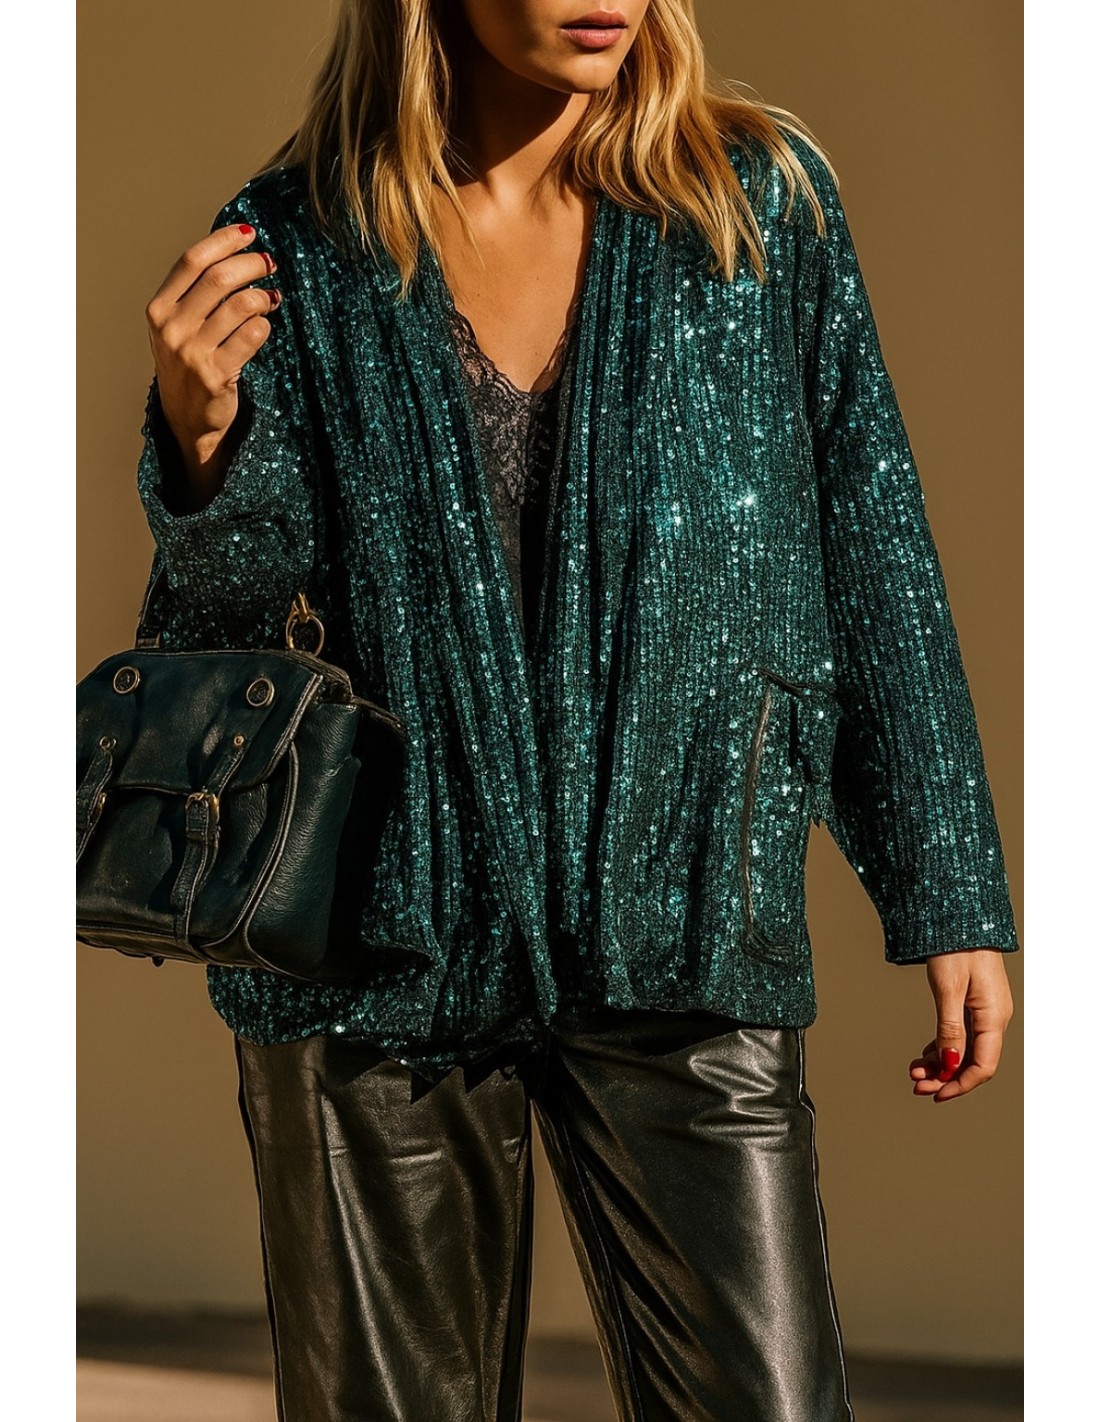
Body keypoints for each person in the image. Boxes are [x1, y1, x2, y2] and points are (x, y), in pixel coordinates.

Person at [136, 2, 1019, 1418]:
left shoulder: (751, 209)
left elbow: (872, 543)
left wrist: (947, 883)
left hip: (685, 919)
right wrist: (203, 442)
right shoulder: (296, 246)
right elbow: (226, 650)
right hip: (378, 952)